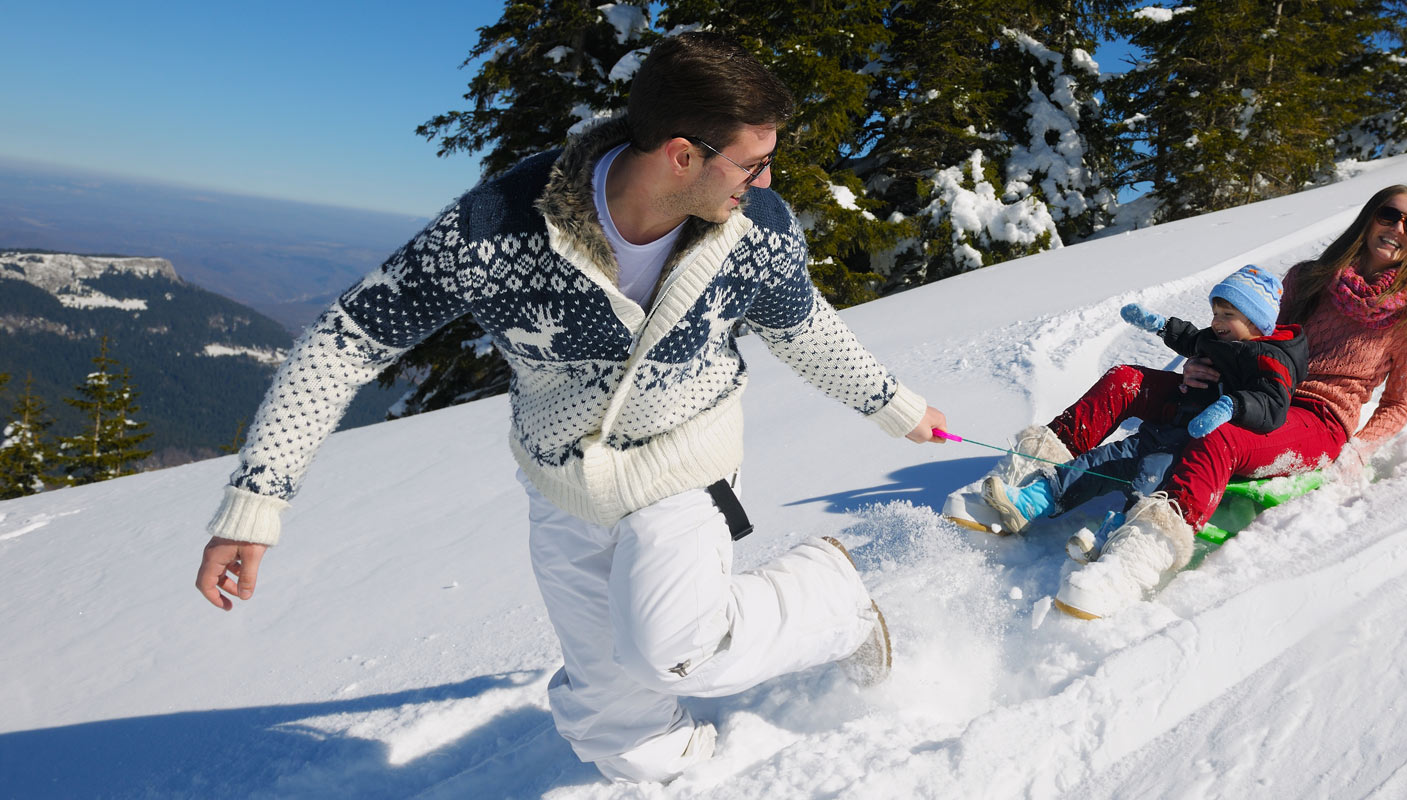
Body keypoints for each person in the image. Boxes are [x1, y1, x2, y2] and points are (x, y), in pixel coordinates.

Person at [191, 33, 947, 785]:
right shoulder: (497, 231)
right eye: (751, 162)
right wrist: (253, 505)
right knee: (623, 735)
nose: (766, 177)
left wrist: (894, 406)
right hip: (563, 482)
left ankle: (834, 598)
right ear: (682, 154)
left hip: (687, 460)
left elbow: (801, 324)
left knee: (676, 647)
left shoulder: (757, 230)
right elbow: (345, 341)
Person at [980, 185, 1407, 620]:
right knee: (1126, 380)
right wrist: (1199, 364)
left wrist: (1359, 448)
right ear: (1369, 217)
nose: (1397, 228)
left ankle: (1133, 562)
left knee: (1219, 437)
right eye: (1389, 214)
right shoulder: (1308, 279)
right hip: (1244, 389)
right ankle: (1026, 477)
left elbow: (1397, 404)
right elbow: (1252, 335)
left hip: (1316, 421)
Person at [977, 267, 1306, 567]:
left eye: (1228, 314)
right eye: (1216, 312)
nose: (1217, 321)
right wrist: (1160, 325)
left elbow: (1272, 405)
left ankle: (1113, 540)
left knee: (1148, 482)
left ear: (1256, 321)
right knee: (1104, 459)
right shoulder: (1218, 338)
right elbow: (1192, 338)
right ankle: (1032, 500)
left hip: (1195, 446)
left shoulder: (1270, 358)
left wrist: (1232, 405)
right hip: (1168, 426)